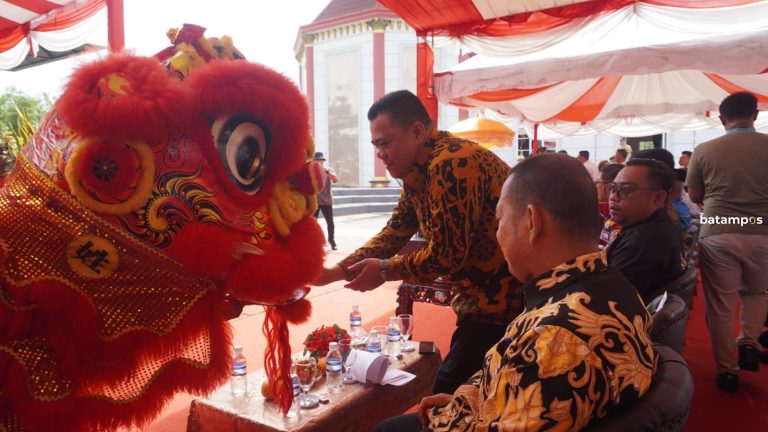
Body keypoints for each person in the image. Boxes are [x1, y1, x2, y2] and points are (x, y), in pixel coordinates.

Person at [373, 154, 656, 432]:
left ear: (532, 221)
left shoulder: (557, 339)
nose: (497, 235)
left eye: (501, 220)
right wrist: (471, 399)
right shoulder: (612, 285)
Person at [315, 90, 523, 395]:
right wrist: (334, 272)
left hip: (507, 303)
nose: (380, 154)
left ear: (417, 131)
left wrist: (385, 270)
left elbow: (446, 256)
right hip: (480, 302)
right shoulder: (420, 170)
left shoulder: (451, 162)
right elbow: (395, 231)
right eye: (376, 145)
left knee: (448, 400)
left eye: (386, 143)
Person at [686, 92, 768, 392]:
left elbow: (694, 196)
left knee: (721, 306)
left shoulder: (705, 149)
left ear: (722, 120)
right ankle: (748, 340)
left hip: (719, 229)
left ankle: (727, 370)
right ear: (755, 115)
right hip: (763, 230)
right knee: (757, 293)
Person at [606, 158, 686, 303]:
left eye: (625, 190)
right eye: (613, 188)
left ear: (658, 198)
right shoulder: (655, 224)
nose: (613, 197)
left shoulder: (642, 242)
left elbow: (606, 300)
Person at [313, 152, 338, 250]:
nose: (319, 162)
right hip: (314, 201)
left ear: (323, 161)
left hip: (327, 200)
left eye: (320, 160)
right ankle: (314, 241)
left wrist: (326, 172)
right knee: (313, 223)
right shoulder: (311, 170)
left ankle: (331, 240)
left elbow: (335, 179)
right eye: (316, 160)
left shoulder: (328, 169)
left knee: (330, 222)